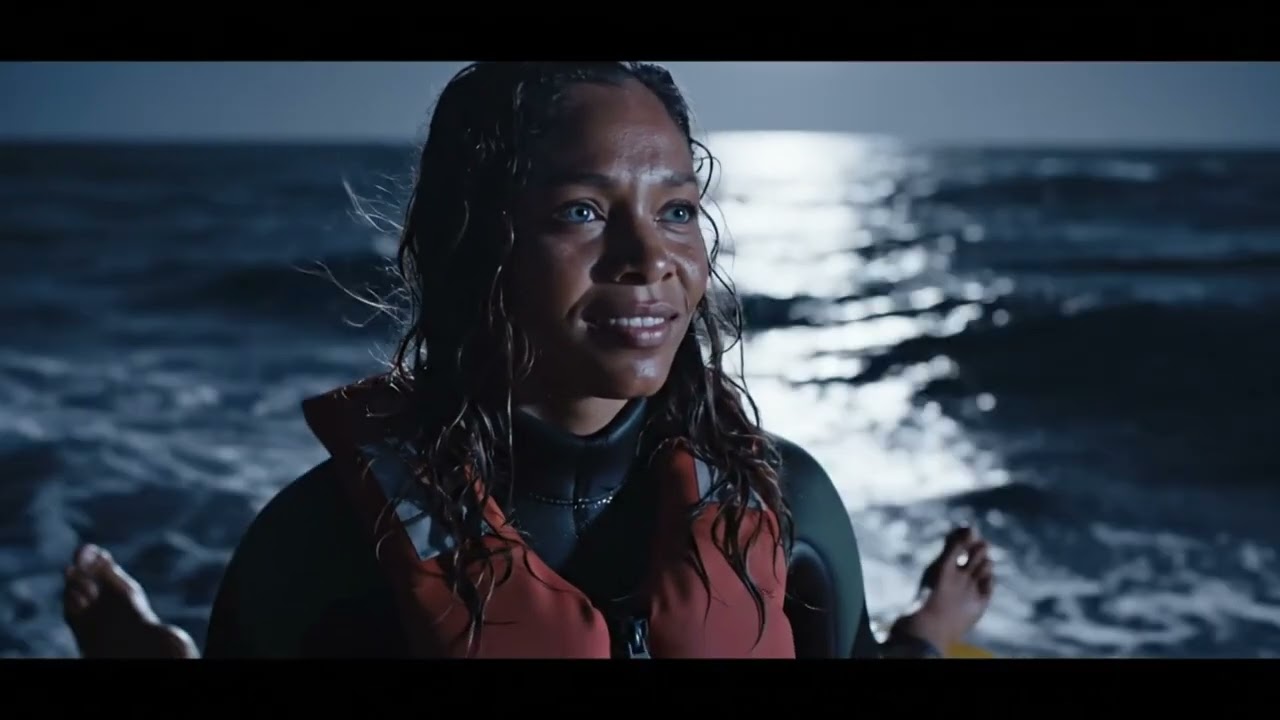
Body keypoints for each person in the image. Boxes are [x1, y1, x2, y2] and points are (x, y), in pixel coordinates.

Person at [61, 61, 995, 659]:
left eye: (676, 210)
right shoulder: (327, 548)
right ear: (475, 245)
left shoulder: (787, 505)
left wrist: (923, 634)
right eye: (581, 211)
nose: (651, 258)